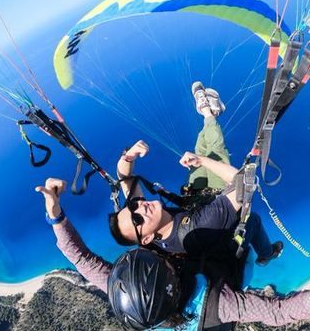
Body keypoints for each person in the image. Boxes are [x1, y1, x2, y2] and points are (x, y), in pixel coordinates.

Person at [35, 177, 310, 331]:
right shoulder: (218, 304)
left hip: (176, 306)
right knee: (235, 246)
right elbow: (278, 312)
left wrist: (55, 212)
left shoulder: (130, 289)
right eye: (157, 261)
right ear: (173, 280)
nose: (157, 256)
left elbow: (80, 258)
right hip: (223, 278)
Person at [108, 81, 283, 266]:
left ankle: (210, 116)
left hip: (194, 199)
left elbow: (125, 180)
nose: (140, 207)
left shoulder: (151, 224)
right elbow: (244, 184)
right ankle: (207, 111)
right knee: (216, 152)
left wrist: (127, 158)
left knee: (200, 149)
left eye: (134, 206)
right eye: (137, 218)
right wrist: (202, 161)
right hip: (213, 204)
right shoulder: (203, 224)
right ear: (146, 239)